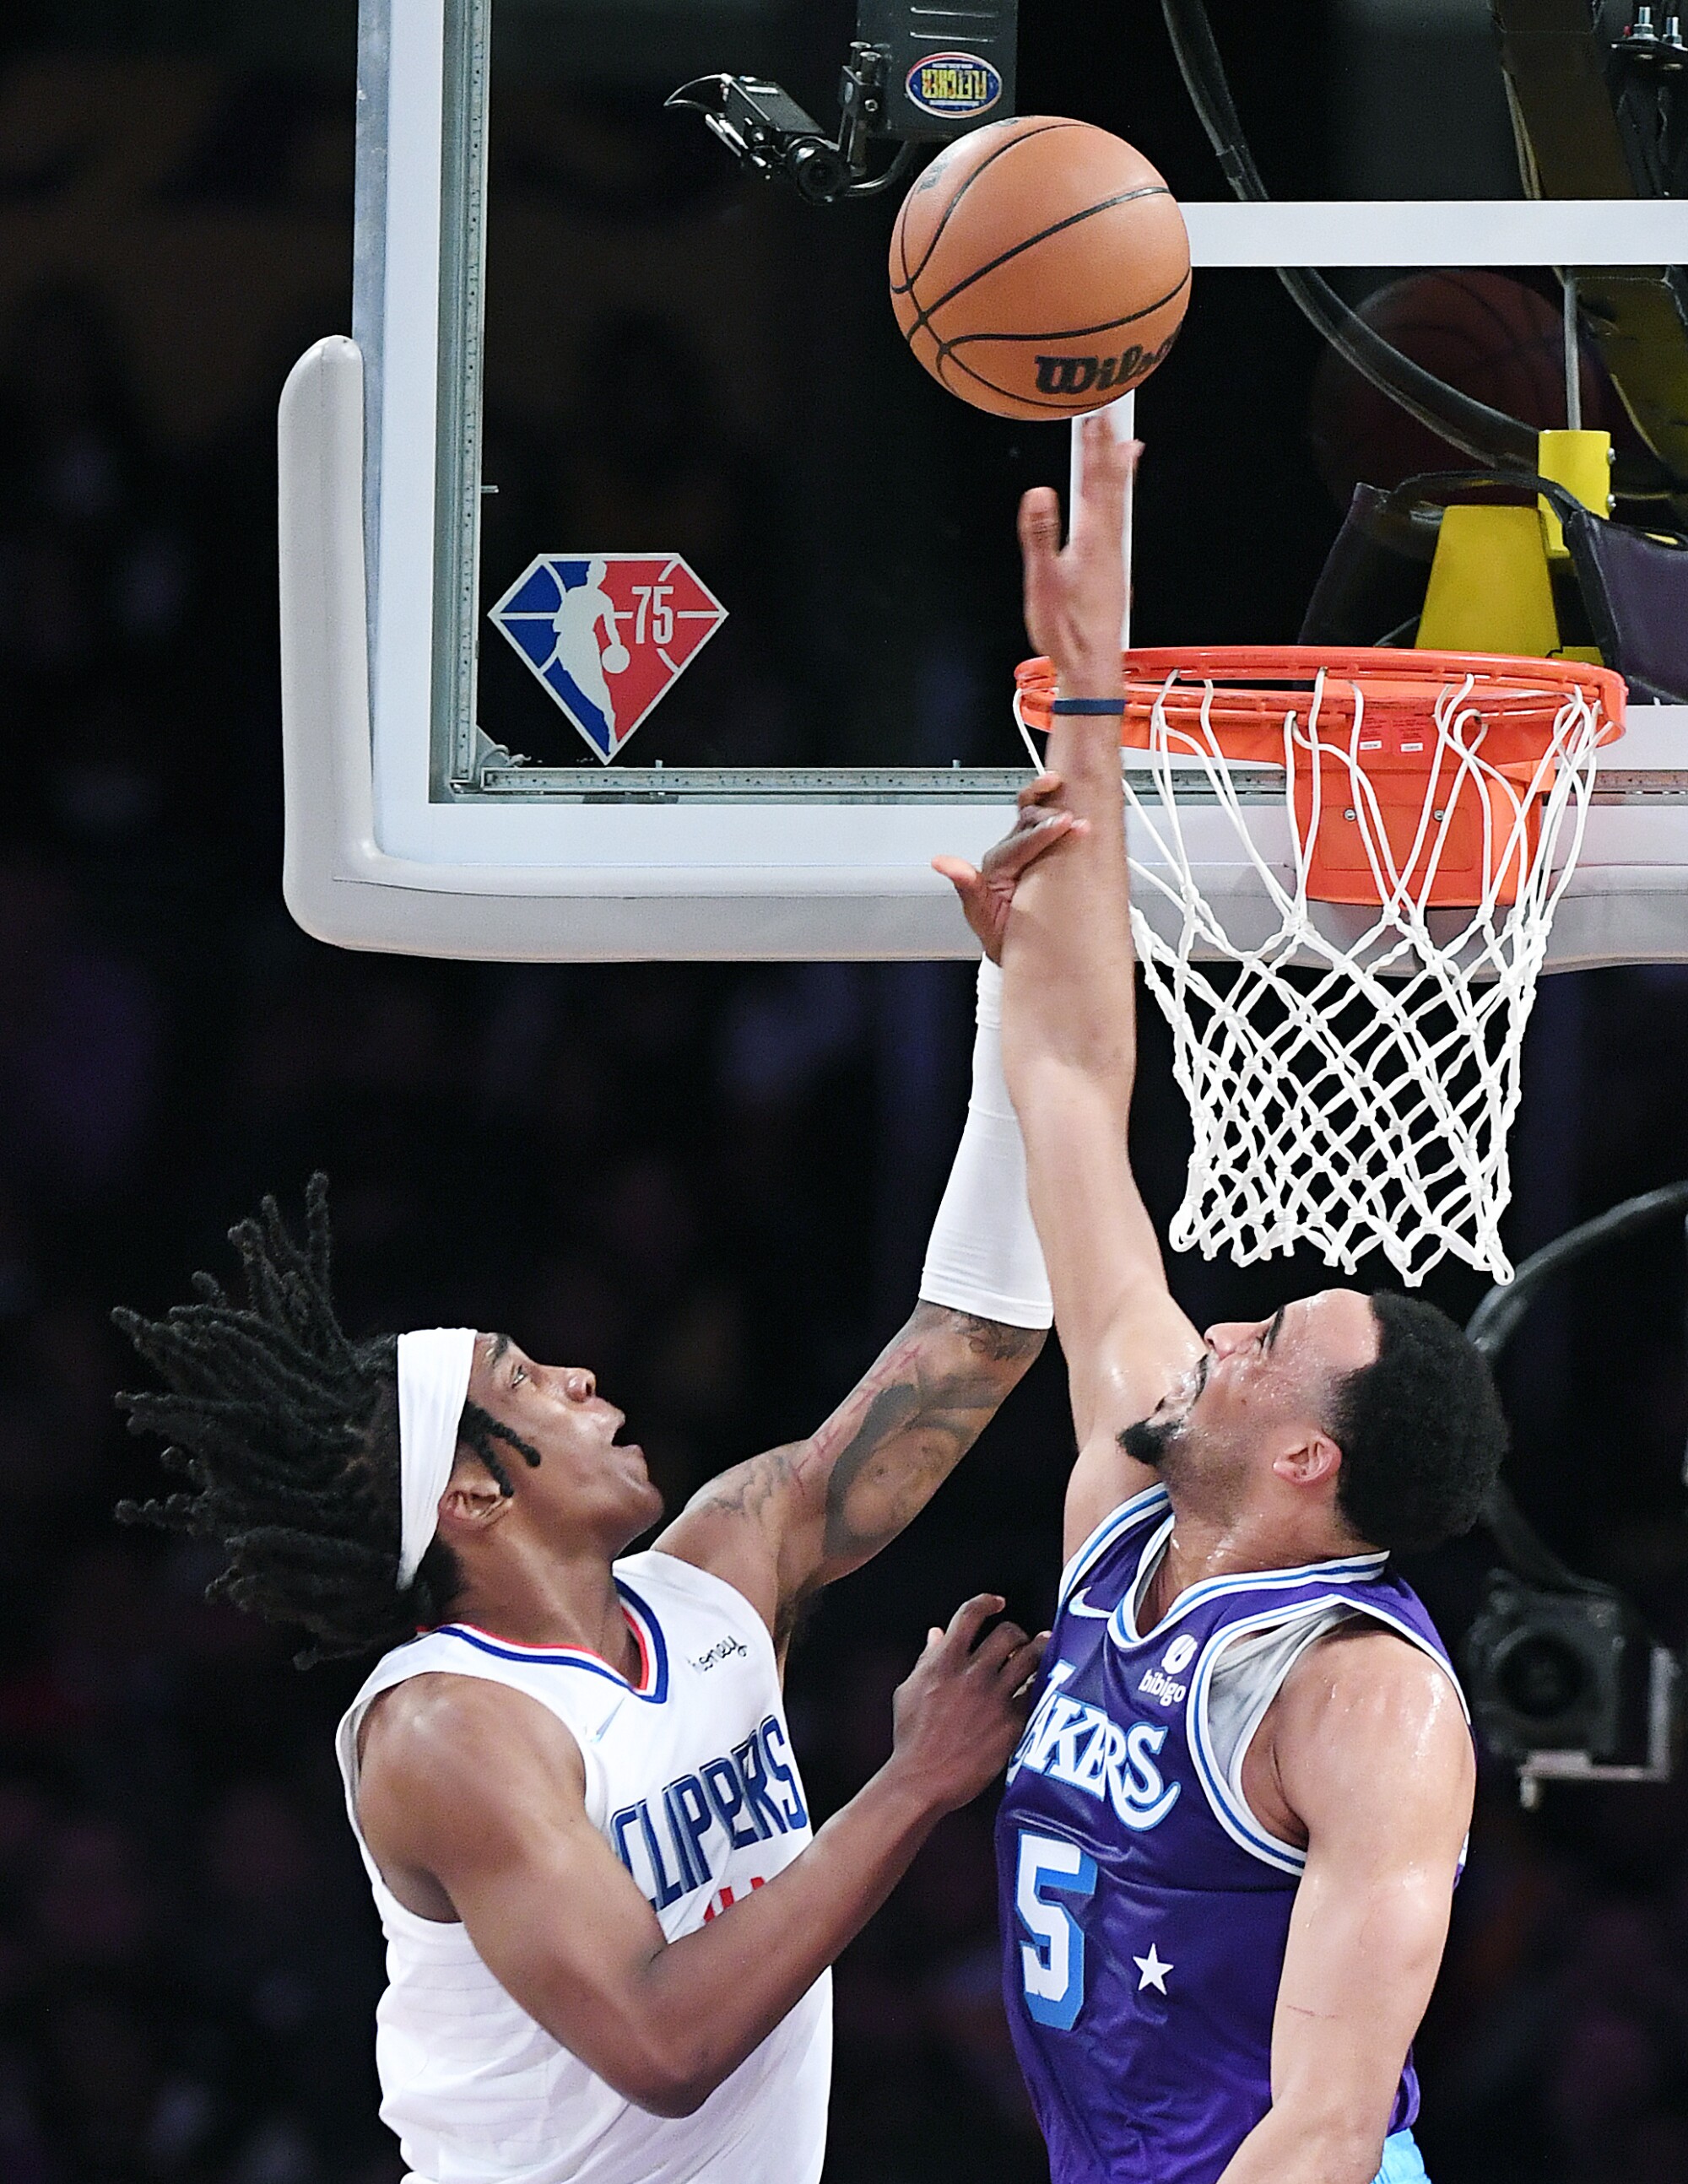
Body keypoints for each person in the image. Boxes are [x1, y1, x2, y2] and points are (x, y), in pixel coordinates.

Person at [111, 961, 1074, 2184]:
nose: (572, 1378)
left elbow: (972, 1342)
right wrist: (912, 1784)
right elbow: (664, 2044)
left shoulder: (727, 1561)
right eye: (521, 1383)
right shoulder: (451, 1732)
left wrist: (1013, 1008)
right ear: (468, 1496)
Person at [934, 414, 1508, 2184]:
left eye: (1266, 1348)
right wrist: (1088, 721)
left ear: (1307, 1467)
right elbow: (1069, 1101)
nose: (1223, 1330)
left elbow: (1326, 2124)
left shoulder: (1366, 1709)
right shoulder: (1130, 1498)